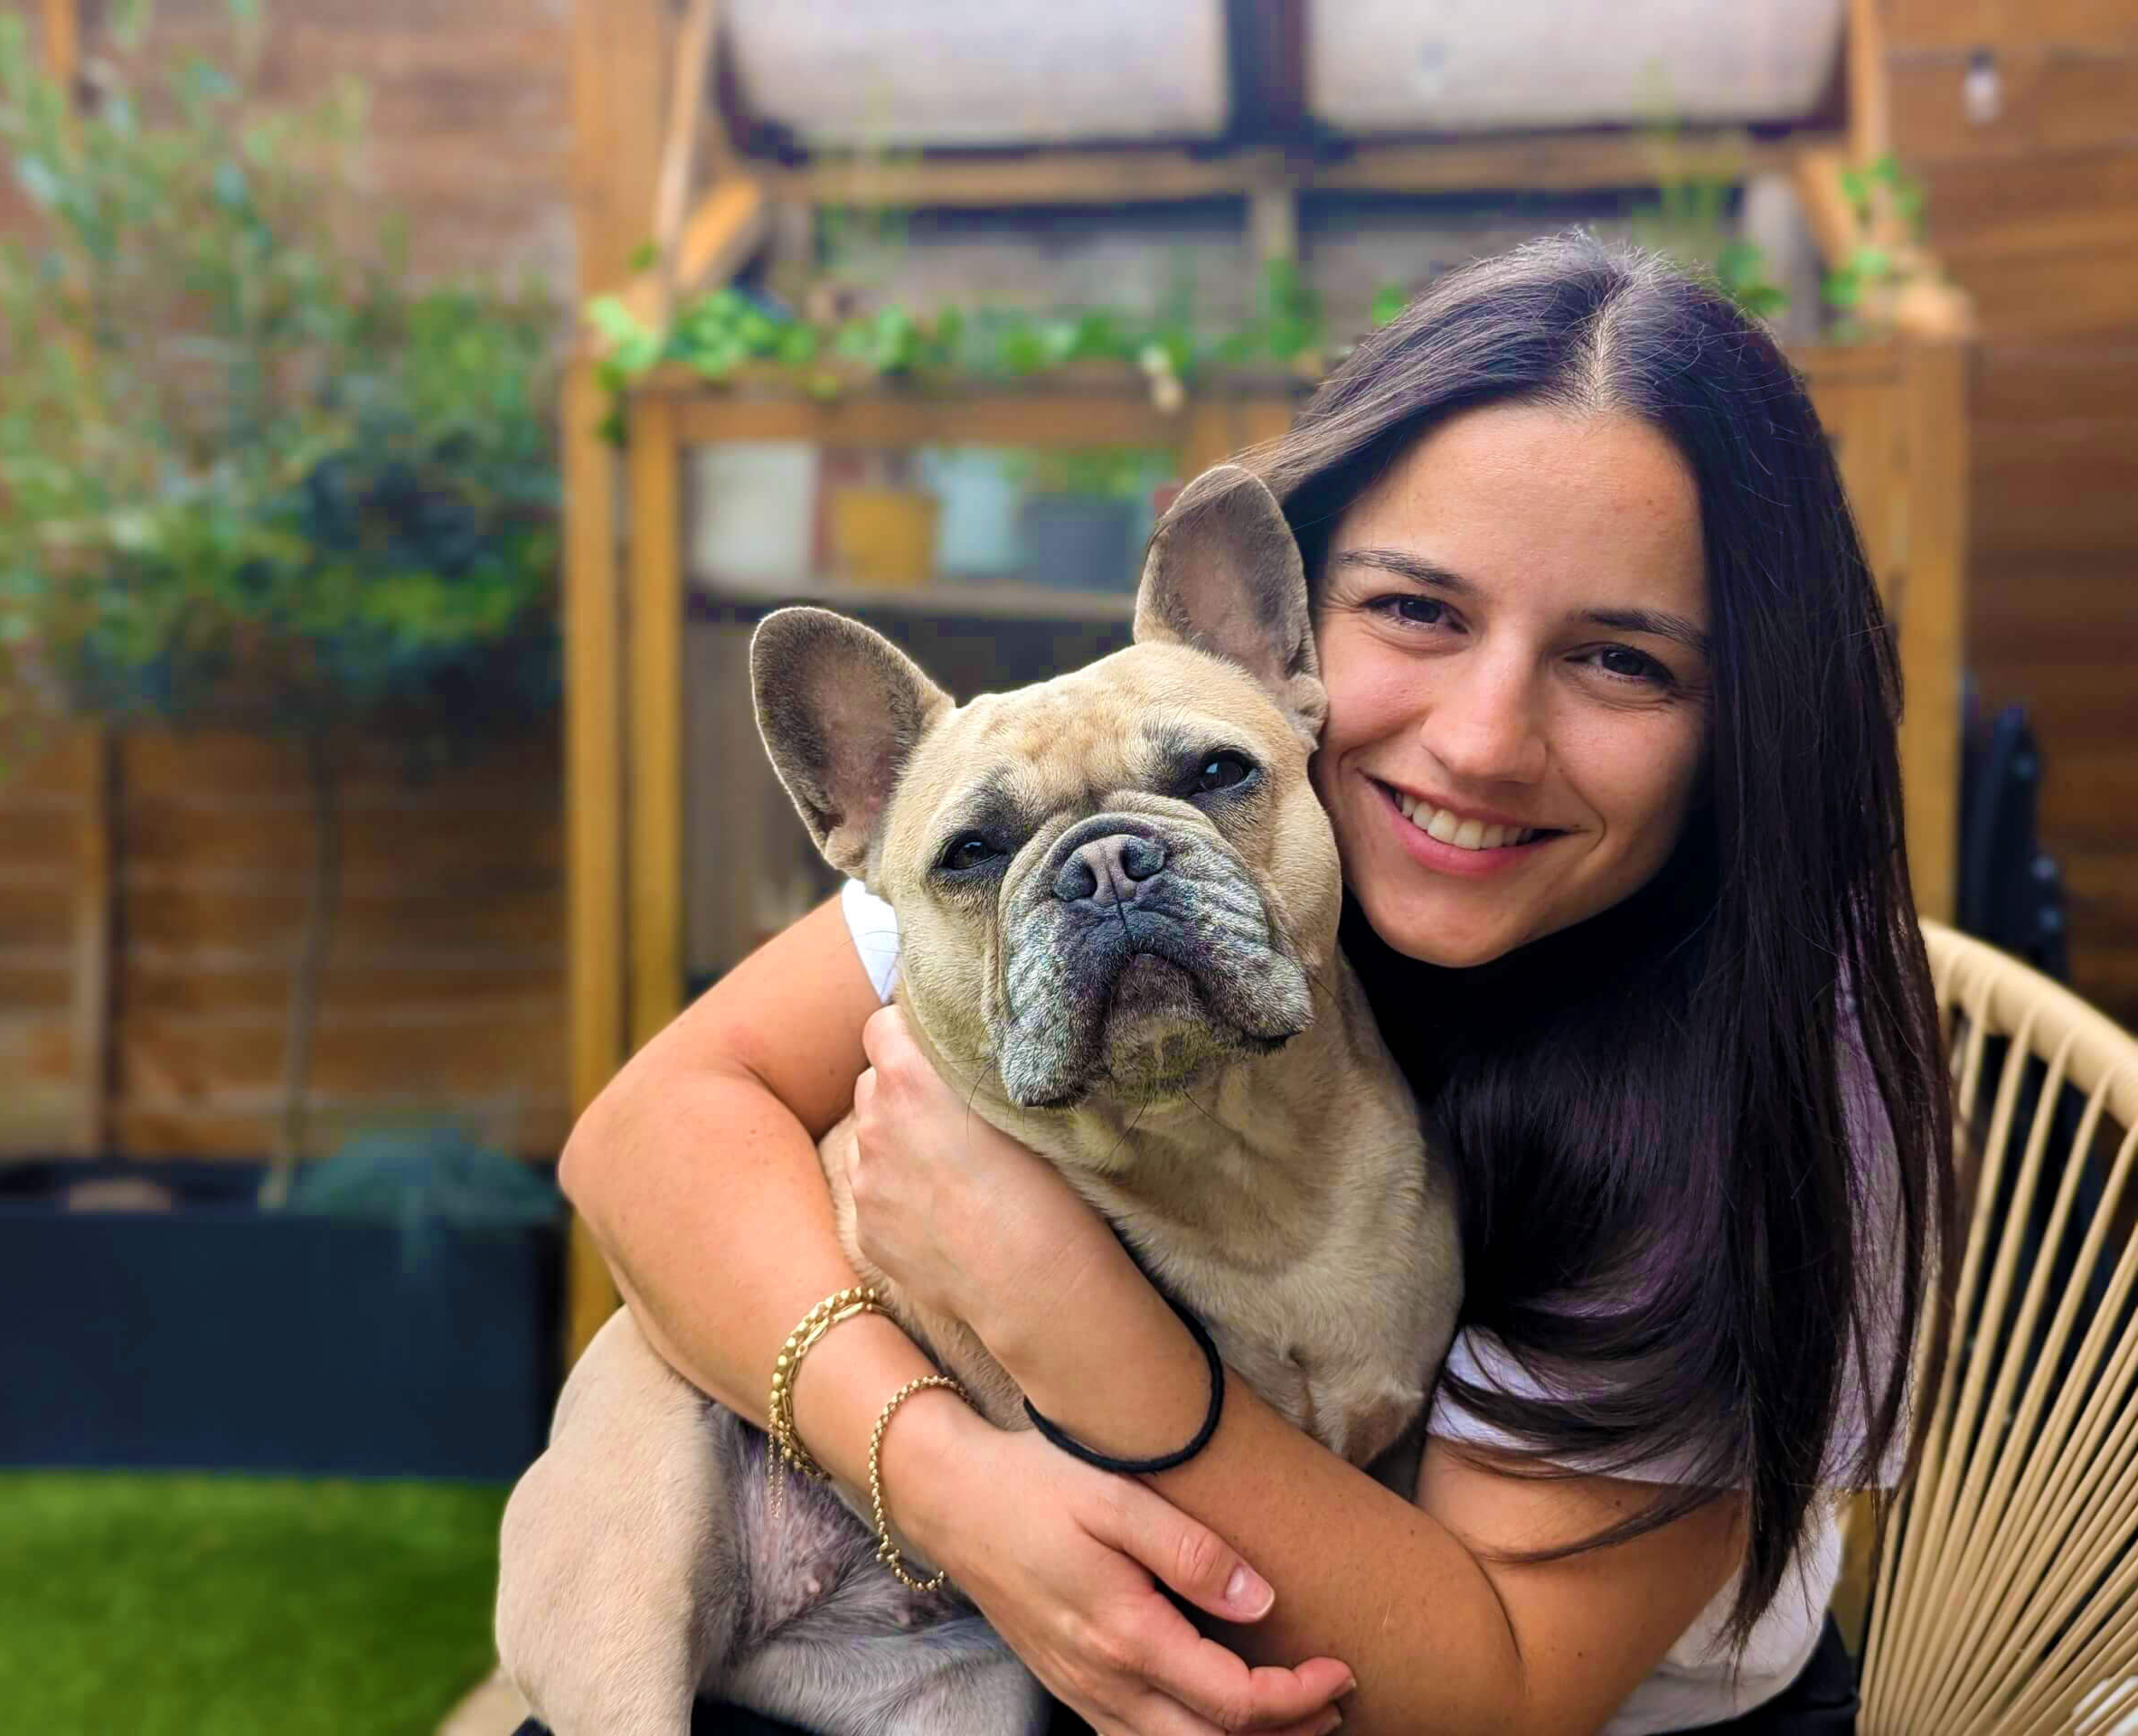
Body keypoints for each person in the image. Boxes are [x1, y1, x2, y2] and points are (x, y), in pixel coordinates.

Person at [544, 233, 1954, 1736]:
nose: (1481, 740)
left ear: (1751, 718)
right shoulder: (1088, 841)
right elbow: (648, 1133)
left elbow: (1498, 1693)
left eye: (1620, 660)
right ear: (1292, 634)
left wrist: (1079, 1326)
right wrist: (943, 1479)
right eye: (1418, 610)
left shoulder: (1789, 1084)